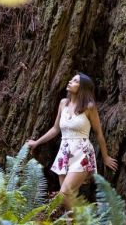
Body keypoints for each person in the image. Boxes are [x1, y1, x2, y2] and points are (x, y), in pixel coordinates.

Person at [27, 72, 117, 207]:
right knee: (67, 201)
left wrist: (105, 157)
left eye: (75, 81)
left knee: (64, 193)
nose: (70, 81)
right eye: (71, 79)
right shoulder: (63, 103)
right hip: (64, 154)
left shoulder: (89, 107)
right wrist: (36, 143)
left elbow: (98, 133)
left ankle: (82, 224)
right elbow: (55, 129)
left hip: (82, 154)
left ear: (82, 88)